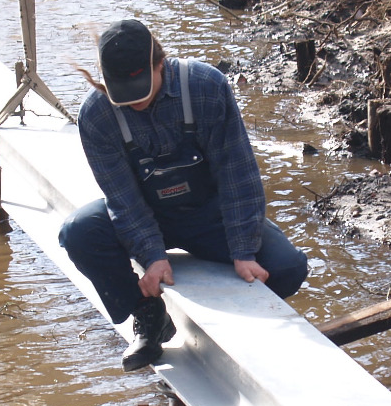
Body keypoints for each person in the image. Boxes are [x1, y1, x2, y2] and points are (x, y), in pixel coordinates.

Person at [59, 19, 309, 371]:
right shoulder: (97, 116)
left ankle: (239, 324)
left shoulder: (206, 87)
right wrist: (152, 256)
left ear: (159, 64)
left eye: (141, 91)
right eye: (124, 97)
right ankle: (149, 316)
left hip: (211, 215)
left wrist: (243, 250)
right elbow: (122, 199)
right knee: (78, 233)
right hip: (147, 214)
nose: (134, 104)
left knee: (287, 267)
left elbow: (238, 174)